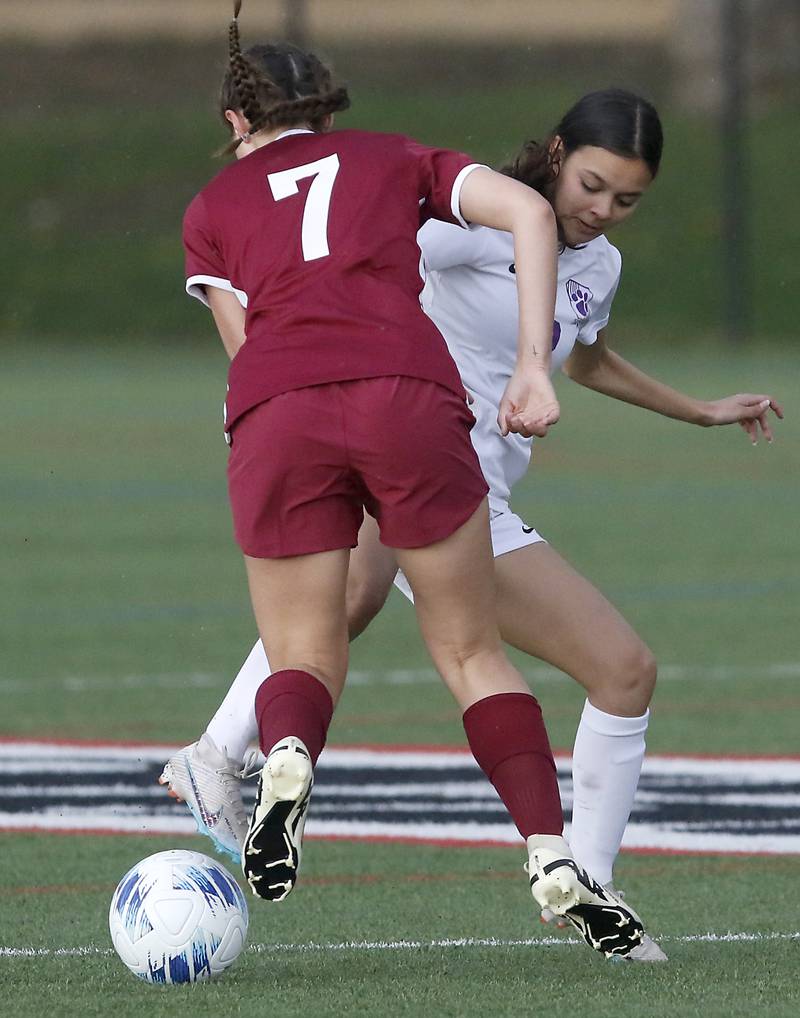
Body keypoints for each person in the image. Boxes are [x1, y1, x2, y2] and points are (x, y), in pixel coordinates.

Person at [174, 1, 652, 962]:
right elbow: (519, 213)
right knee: (470, 651)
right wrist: (527, 367)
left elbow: (247, 345)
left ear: (235, 120)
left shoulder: (211, 211)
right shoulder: (390, 158)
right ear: (333, 112)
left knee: (307, 641)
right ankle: (551, 852)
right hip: (413, 407)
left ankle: (276, 756)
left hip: (280, 405)